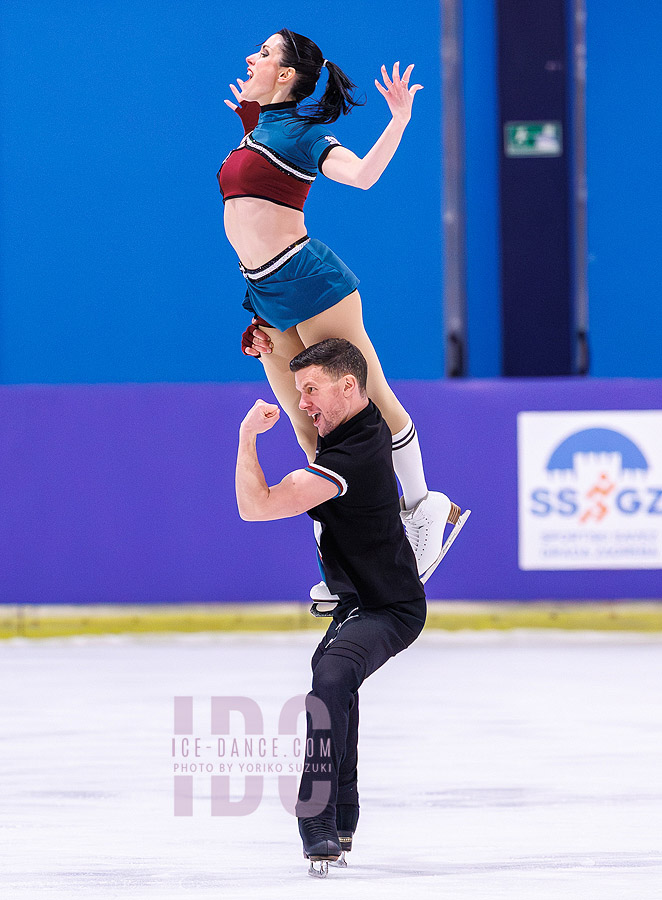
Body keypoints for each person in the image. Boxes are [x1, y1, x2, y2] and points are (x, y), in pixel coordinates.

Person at [220, 28, 467, 589]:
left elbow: (361, 176)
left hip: (312, 282)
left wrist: (398, 120)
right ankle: (343, 561)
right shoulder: (261, 130)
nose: (250, 57)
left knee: (372, 396)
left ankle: (424, 507)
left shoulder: (303, 133)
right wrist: (250, 117)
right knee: (308, 428)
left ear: (286, 75)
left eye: (262, 53)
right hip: (264, 292)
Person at [236, 339, 436, 876]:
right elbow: (301, 389)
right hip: (356, 600)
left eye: (312, 391)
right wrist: (272, 351)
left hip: (389, 606)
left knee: (330, 678)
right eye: (302, 392)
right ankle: (341, 818)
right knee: (332, 680)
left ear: (349, 386)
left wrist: (247, 438)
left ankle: (318, 817)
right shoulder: (350, 423)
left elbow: (255, 508)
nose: (303, 402)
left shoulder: (350, 456)